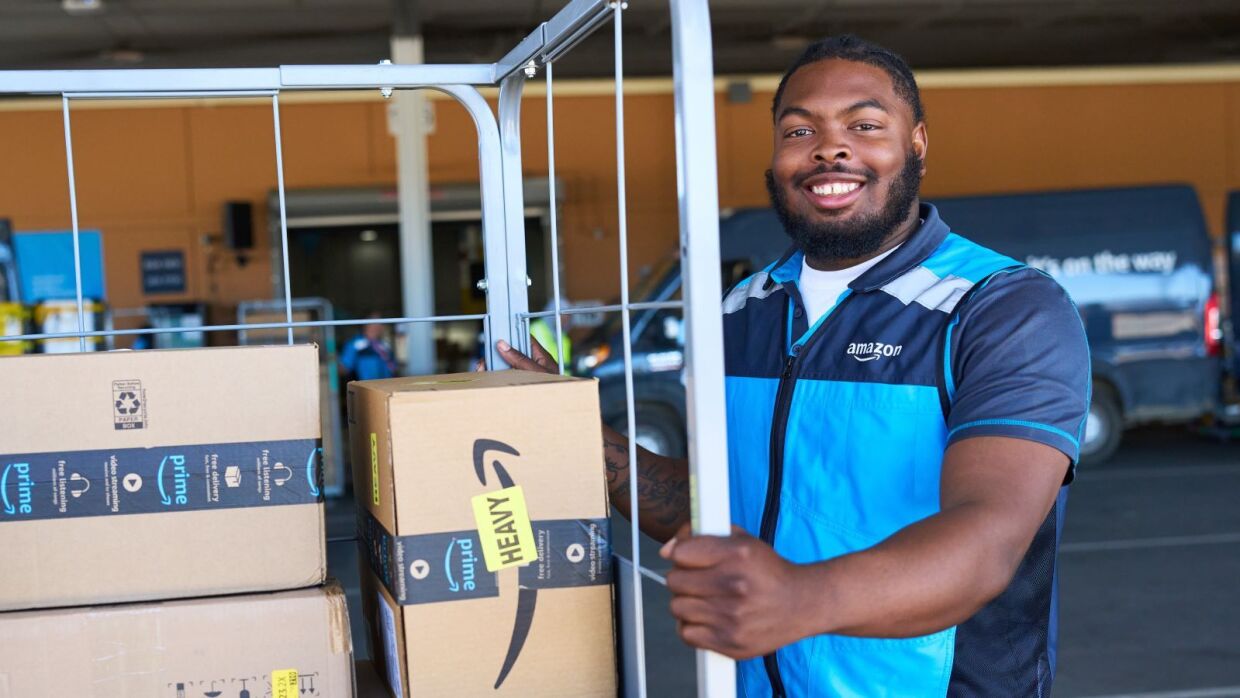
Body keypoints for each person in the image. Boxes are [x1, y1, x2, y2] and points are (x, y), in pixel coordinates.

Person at [498, 35, 1088, 696]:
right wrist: (572, 429)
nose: (830, 149)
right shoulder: (739, 312)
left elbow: (989, 540)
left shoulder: (1003, 307)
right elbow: (718, 507)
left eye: (864, 126)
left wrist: (801, 599)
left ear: (917, 143)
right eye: (800, 129)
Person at [340, 313, 397, 381]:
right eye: (374, 323)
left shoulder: (384, 345)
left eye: (380, 323)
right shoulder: (355, 344)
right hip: (364, 388)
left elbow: (393, 368)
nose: (377, 326)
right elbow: (344, 369)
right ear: (365, 324)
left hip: (386, 386)